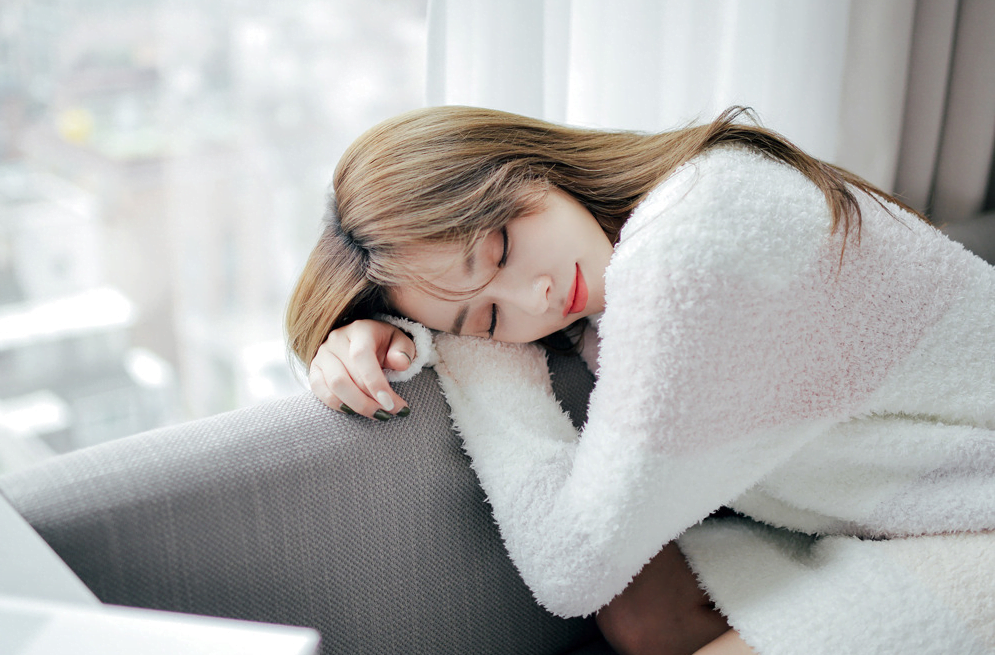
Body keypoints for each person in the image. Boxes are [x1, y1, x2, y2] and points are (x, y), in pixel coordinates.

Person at [286, 106, 995, 655]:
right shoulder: (616, 281)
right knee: (641, 615)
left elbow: (570, 567)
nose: (534, 298)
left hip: (975, 518)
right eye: (488, 319)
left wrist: (464, 350)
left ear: (521, 165)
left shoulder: (697, 235)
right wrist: (409, 336)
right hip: (921, 517)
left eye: (499, 248)